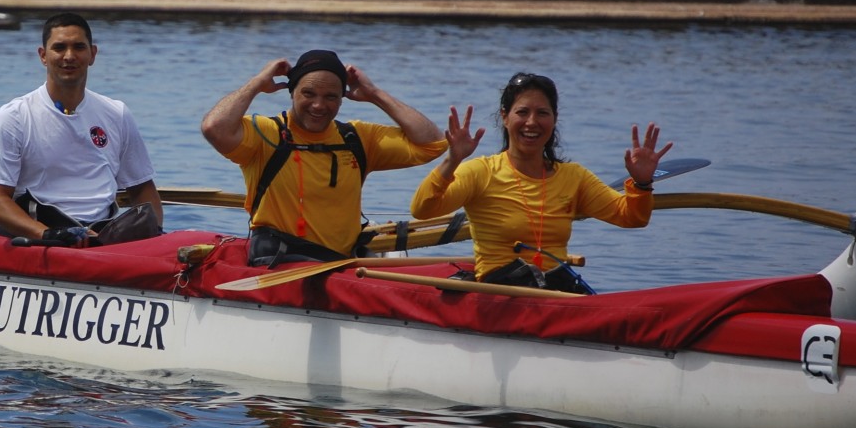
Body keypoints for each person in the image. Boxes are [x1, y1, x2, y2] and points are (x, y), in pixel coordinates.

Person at [410, 72, 673, 293]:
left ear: (554, 119)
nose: (532, 122)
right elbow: (423, 210)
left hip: (554, 286)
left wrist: (641, 183)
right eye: (522, 112)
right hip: (500, 290)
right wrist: (451, 160)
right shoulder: (481, 171)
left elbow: (631, 217)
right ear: (505, 117)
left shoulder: (573, 177)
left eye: (542, 113)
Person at [202, 50, 446, 266]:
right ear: (291, 92)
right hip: (281, 260)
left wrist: (375, 94)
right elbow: (214, 128)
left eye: (331, 96)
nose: (319, 105)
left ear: (343, 98)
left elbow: (433, 144)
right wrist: (256, 84)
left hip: (339, 263)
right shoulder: (266, 134)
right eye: (308, 93)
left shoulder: (358, 138)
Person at [0, 12, 162, 247]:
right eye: (59, 47)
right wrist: (44, 234)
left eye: (78, 47)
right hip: (44, 235)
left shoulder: (117, 113)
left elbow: (143, 189)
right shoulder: (14, 116)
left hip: (103, 235)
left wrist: (154, 235)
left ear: (92, 54)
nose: (69, 56)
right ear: (43, 56)